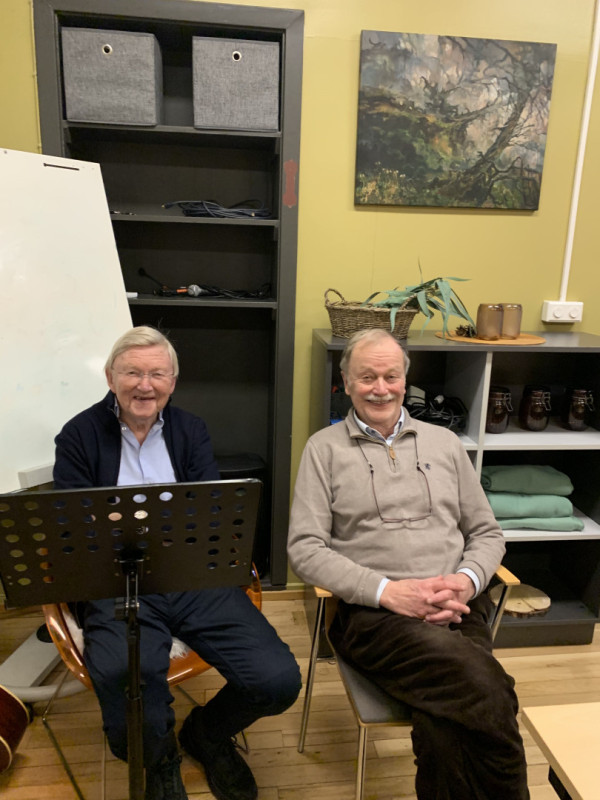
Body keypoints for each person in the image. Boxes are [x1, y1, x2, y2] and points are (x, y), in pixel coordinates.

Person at [54, 325, 301, 800]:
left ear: (173, 381)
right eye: (132, 372)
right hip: (117, 581)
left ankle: (206, 733)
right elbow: (73, 527)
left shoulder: (191, 430)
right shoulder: (78, 435)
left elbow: (208, 515)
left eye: (157, 374)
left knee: (277, 680)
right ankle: (159, 757)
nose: (145, 385)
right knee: (123, 676)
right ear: (110, 377)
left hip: (191, 575)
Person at [287, 328, 529, 799]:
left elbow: (486, 533)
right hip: (374, 617)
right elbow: (305, 549)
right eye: (367, 377)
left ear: (405, 380)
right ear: (346, 383)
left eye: (391, 376)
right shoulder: (323, 449)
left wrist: (464, 582)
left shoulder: (445, 443)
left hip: (456, 607)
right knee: (486, 685)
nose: (380, 388)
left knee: (445, 721)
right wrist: (389, 592)